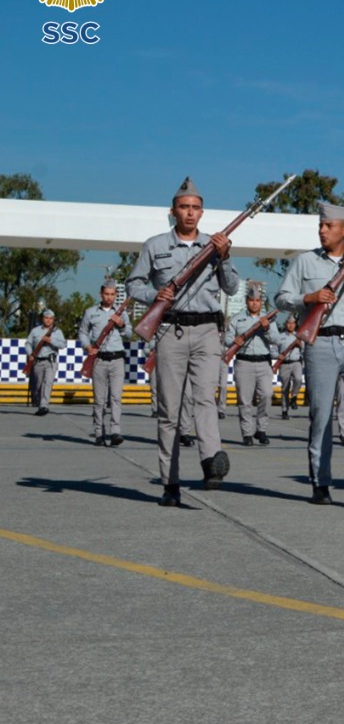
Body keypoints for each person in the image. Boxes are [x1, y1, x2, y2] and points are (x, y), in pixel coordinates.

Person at [127, 177, 238, 506]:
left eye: (195, 208)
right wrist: (153, 295)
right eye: (184, 207)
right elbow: (133, 284)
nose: (190, 213)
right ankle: (170, 483)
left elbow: (231, 288)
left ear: (202, 212)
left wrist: (226, 256)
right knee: (169, 412)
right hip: (170, 331)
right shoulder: (156, 245)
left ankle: (210, 462)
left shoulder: (214, 246)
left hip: (207, 330)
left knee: (206, 398)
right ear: (173, 211)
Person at [276, 202, 344, 504]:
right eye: (321, 226)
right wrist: (309, 297)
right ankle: (320, 481)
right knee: (322, 413)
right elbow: (282, 298)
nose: (322, 230)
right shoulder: (305, 262)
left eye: (329, 226)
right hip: (320, 341)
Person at [224, 286, 281, 446]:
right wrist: (235, 340)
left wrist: (267, 328)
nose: (254, 303)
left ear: (261, 302)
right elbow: (227, 340)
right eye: (251, 300)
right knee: (245, 400)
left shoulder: (268, 319)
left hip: (264, 363)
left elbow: (276, 339)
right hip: (244, 362)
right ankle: (247, 433)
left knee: (266, 396)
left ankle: (261, 430)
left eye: (257, 301)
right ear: (246, 301)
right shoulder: (237, 319)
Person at [79, 280, 132, 444]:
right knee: (99, 400)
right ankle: (99, 432)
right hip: (99, 359)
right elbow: (82, 332)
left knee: (116, 398)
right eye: (107, 294)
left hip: (117, 359)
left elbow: (129, 334)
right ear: (101, 294)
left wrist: (122, 325)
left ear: (116, 295)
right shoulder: (90, 312)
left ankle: (115, 432)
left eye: (112, 294)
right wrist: (88, 347)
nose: (109, 298)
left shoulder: (122, 313)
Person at [26, 309, 66, 416]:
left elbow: (63, 345)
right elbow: (28, 343)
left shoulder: (57, 331)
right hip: (38, 361)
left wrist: (51, 340)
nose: (48, 320)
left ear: (53, 320)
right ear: (43, 318)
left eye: (51, 318)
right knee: (38, 385)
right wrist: (30, 354)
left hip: (51, 361)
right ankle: (39, 403)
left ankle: (44, 406)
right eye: (46, 318)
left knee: (47, 383)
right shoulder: (35, 331)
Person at [276, 315, 305, 420]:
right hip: (284, 363)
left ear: (295, 324)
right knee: (285, 388)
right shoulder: (280, 336)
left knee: (298, 379)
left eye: (292, 323)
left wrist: (301, 345)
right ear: (286, 324)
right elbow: (274, 350)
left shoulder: (299, 336)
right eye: (289, 323)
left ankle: (294, 396)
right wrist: (277, 355)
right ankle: (284, 410)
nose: (290, 325)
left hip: (296, 362)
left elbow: (305, 350)